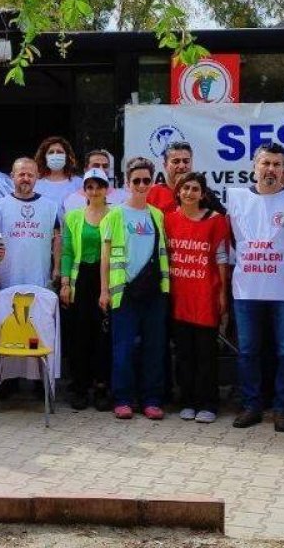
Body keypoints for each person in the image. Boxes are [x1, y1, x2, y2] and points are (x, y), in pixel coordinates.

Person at [226, 145, 284, 433]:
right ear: (255, 166)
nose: (271, 169)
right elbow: (229, 240)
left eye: (277, 164)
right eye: (266, 163)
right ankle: (252, 405)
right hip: (247, 288)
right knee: (248, 350)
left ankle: (282, 408)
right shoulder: (236, 199)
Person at [99, 157, 171, 421]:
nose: (142, 185)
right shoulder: (115, 214)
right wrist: (104, 290)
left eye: (146, 180)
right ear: (127, 183)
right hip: (124, 292)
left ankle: (151, 400)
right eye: (136, 181)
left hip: (153, 292)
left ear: (152, 182)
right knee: (124, 348)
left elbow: (162, 253)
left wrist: (165, 289)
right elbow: (105, 257)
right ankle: (123, 399)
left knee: (154, 347)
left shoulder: (157, 214)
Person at [164, 172, 229, 423]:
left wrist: (223, 293)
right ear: (178, 192)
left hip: (205, 296)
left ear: (203, 194)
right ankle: (188, 400)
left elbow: (222, 259)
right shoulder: (168, 220)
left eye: (194, 189)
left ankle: (209, 403)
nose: (189, 192)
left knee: (206, 354)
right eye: (185, 188)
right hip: (180, 296)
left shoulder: (216, 220)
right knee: (184, 353)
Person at [59, 168, 114, 412]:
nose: (95, 191)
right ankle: (79, 387)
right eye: (90, 186)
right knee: (79, 336)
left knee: (103, 336)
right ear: (84, 190)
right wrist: (64, 283)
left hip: (107, 281)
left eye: (99, 186)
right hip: (80, 280)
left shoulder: (116, 215)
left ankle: (102, 387)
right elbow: (68, 251)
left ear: (107, 189)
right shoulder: (72, 217)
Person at [0, 157, 62, 290]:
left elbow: (57, 240)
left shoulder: (50, 207)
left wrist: (57, 268)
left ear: (37, 177)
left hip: (39, 276)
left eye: (30, 175)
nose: (26, 178)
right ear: (12, 176)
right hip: (8, 277)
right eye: (21, 174)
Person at [147, 141, 226, 214]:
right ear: (165, 166)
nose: (181, 166)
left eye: (186, 161)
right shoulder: (152, 194)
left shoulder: (205, 193)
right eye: (176, 162)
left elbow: (222, 221)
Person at [63, 149, 128, 211]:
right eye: (96, 165)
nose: (101, 169)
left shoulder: (123, 198)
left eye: (105, 166)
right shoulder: (71, 200)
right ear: (85, 169)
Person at [32, 136, 84, 206]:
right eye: (51, 152)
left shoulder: (79, 183)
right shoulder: (35, 184)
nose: (55, 155)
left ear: (67, 156)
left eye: (59, 152)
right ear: (44, 157)